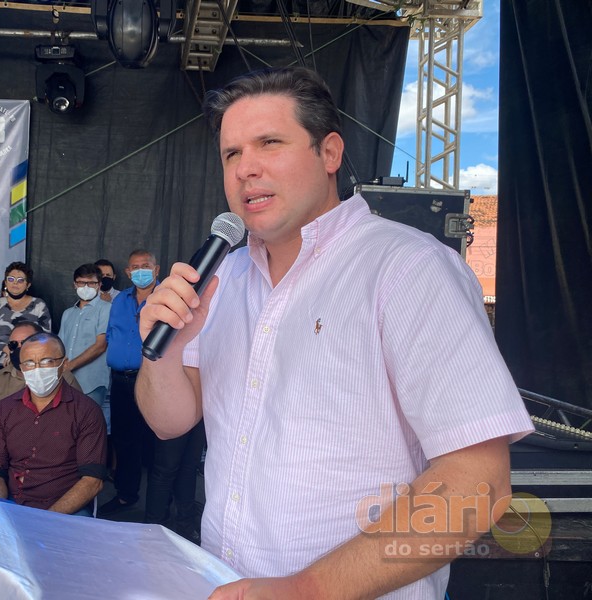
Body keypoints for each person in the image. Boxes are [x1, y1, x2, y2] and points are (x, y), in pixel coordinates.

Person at [135, 67, 534, 599]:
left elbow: (479, 483)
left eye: (269, 143)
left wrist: (307, 589)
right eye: (231, 154)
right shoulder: (223, 278)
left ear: (329, 153)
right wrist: (163, 353)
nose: (245, 168)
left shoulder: (408, 269)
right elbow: (169, 423)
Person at [0, 332, 107, 514]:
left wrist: (46, 520)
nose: (37, 370)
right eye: (29, 363)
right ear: (21, 368)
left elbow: (92, 480)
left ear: (64, 364)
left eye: (47, 361)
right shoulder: (5, 409)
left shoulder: (86, 411)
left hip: (64, 509)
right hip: (11, 504)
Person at [98, 249, 160, 515]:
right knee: (124, 440)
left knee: (156, 442)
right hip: (121, 381)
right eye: (135, 267)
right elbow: (112, 334)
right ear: (127, 272)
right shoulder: (120, 301)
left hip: (153, 380)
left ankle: (159, 505)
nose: (140, 270)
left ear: (156, 269)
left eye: (145, 265)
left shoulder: (166, 297)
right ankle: (126, 495)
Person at [0, 319, 82, 409]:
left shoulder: (61, 376)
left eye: (25, 342)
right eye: (13, 344)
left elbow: (79, 409)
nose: (19, 349)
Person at [0, 261, 52, 375]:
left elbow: (45, 337)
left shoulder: (39, 305)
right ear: (5, 282)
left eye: (20, 280)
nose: (15, 283)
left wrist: (18, 352)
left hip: (30, 366)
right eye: (11, 279)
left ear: (28, 285)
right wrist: (5, 349)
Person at [58, 264, 112, 407]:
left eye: (91, 283)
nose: (86, 287)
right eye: (81, 282)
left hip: (92, 382)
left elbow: (101, 345)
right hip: (66, 381)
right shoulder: (68, 313)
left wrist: (70, 366)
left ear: (99, 285)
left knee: (90, 419)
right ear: (75, 285)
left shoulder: (106, 309)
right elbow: (60, 347)